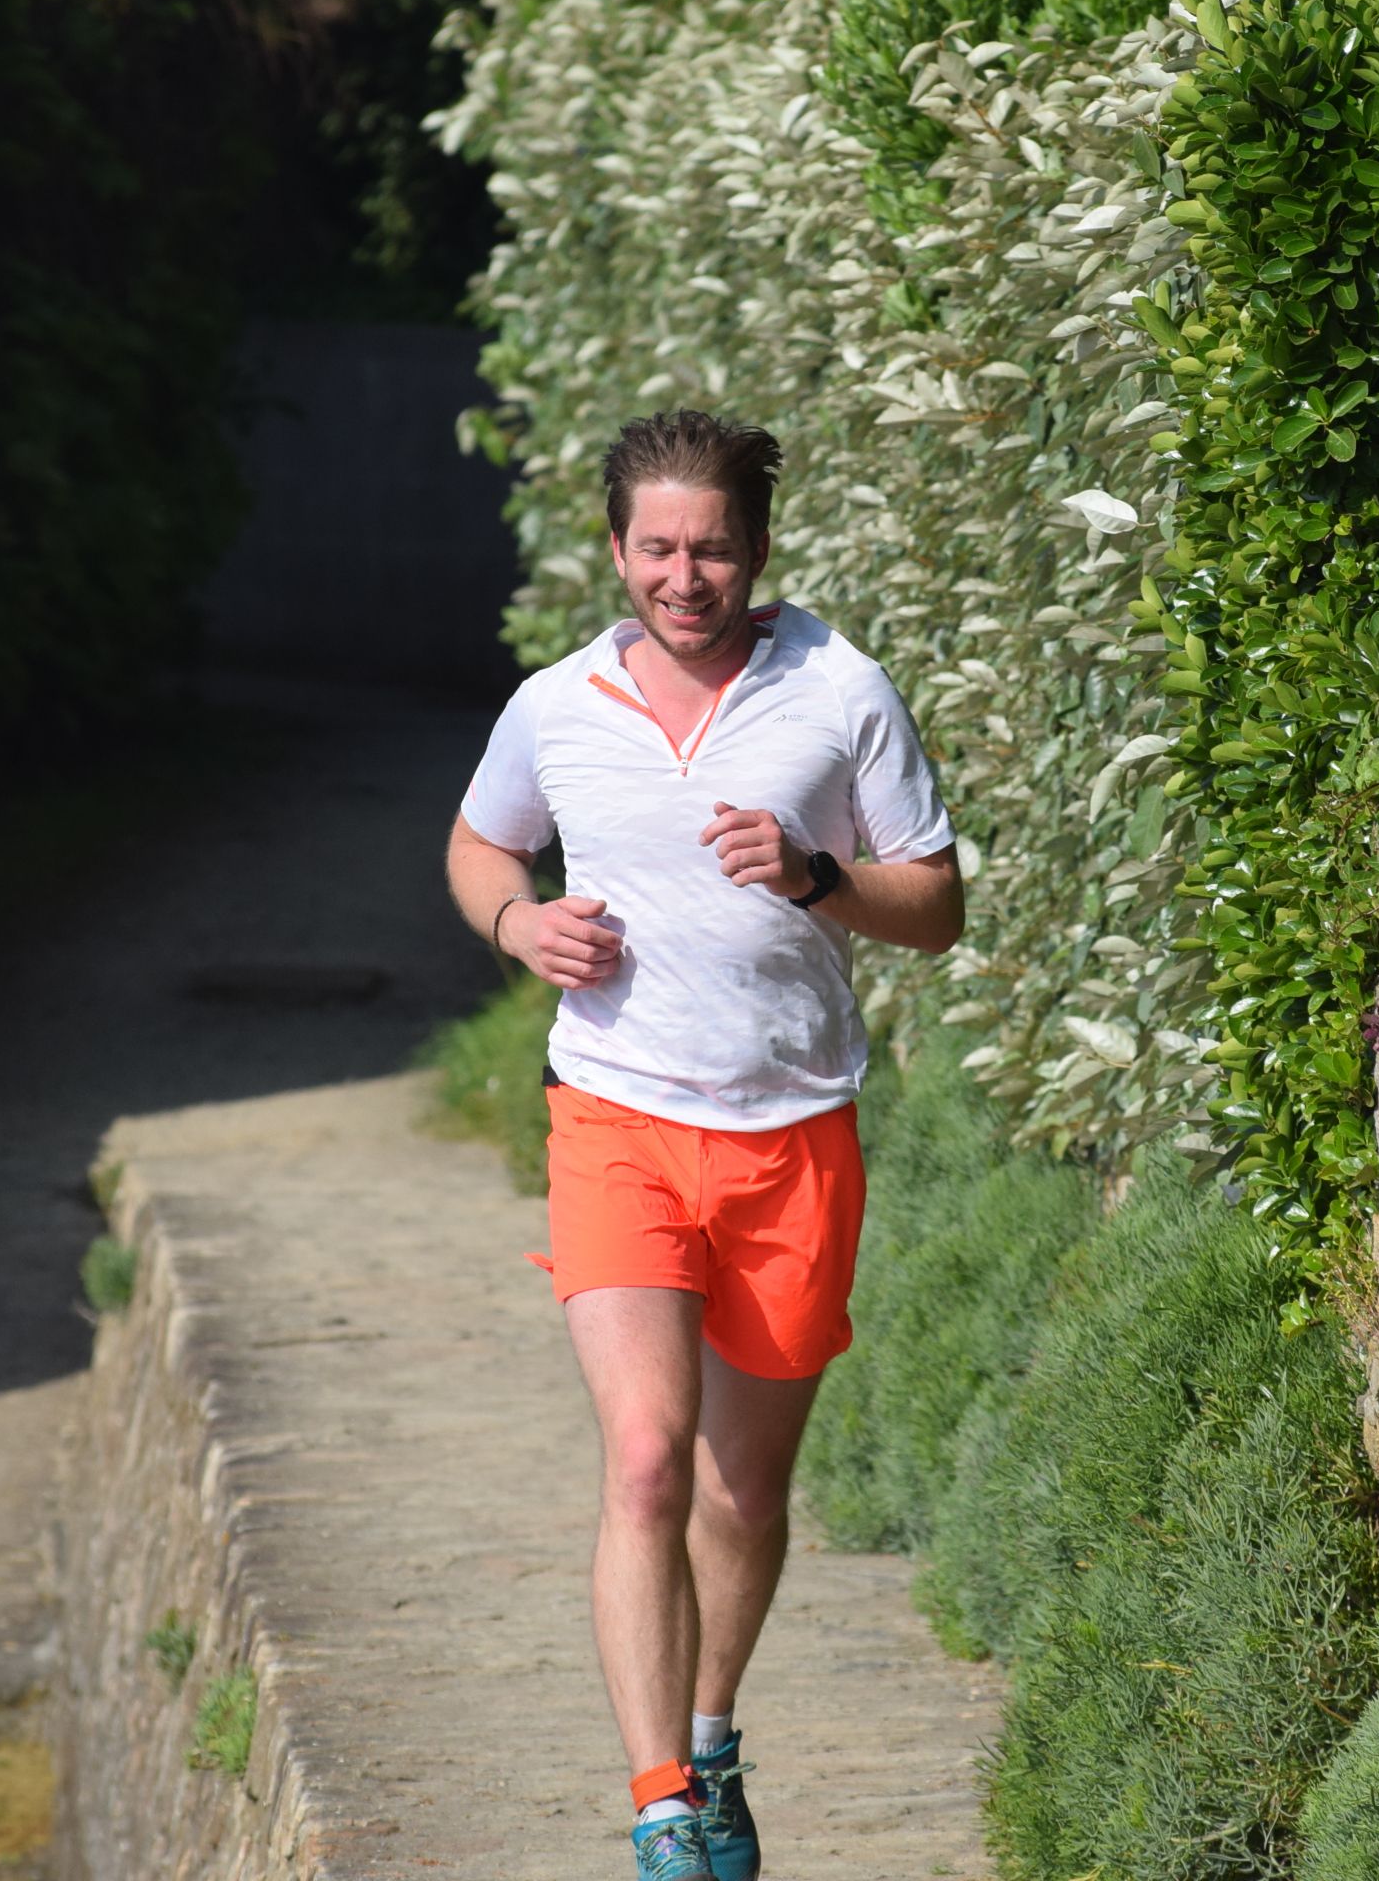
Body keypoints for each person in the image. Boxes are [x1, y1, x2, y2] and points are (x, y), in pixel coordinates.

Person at [445, 409, 965, 1880]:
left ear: (759, 549)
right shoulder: (557, 705)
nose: (687, 577)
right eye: (660, 548)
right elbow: (480, 843)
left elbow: (936, 903)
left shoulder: (839, 690)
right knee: (646, 1462)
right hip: (616, 1116)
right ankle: (663, 1807)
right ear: (618, 551)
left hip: (793, 1134)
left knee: (742, 1495)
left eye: (715, 548)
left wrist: (818, 877)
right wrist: (516, 923)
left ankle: (713, 1735)